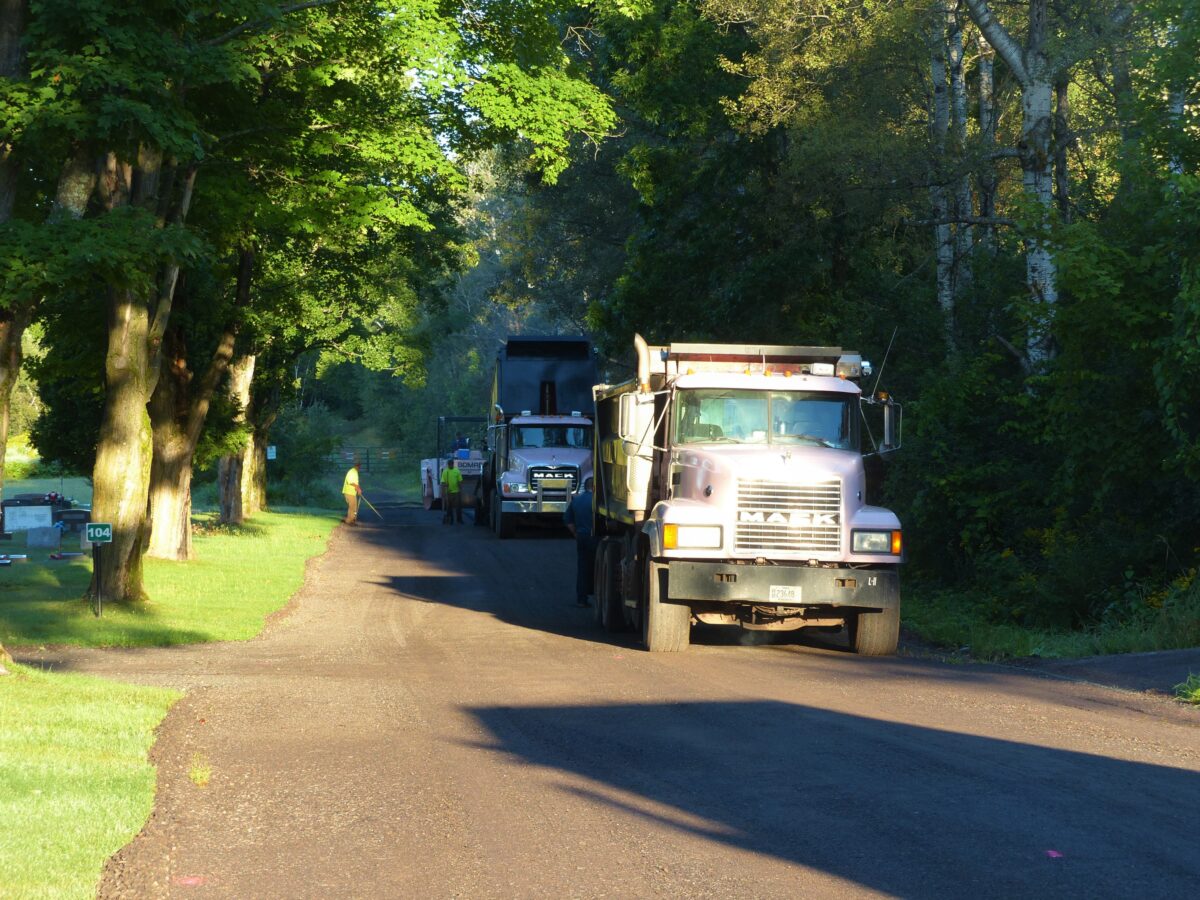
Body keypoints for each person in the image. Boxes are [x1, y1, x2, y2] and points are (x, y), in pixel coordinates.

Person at [564, 476, 596, 608]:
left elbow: (568, 520)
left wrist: (576, 534)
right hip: (594, 537)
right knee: (594, 567)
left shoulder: (577, 500)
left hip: (581, 537)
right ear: (595, 487)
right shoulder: (596, 501)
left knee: (582, 567)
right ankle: (594, 593)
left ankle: (581, 599)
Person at [440, 457, 464, 524]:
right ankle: (450, 520)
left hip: (456, 492)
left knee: (458, 507)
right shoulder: (445, 472)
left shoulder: (457, 471)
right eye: (449, 464)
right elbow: (442, 482)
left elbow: (460, 481)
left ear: (453, 464)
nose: (450, 465)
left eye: (451, 464)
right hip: (449, 492)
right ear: (448, 464)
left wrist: (460, 488)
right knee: (449, 507)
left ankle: (459, 520)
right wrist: (444, 490)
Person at [342, 459, 362, 525]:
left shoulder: (355, 472)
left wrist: (358, 489)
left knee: (354, 507)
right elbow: (350, 481)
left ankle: (352, 521)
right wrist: (358, 488)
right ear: (357, 466)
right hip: (349, 492)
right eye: (359, 466)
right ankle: (349, 521)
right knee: (352, 507)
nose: (360, 468)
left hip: (352, 493)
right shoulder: (352, 471)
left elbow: (356, 482)